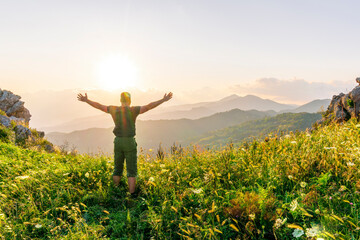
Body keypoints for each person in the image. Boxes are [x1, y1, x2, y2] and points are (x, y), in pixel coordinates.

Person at [77, 91, 173, 196]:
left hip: (118, 141)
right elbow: (149, 106)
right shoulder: (134, 110)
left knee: (117, 168)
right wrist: (163, 100)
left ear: (120, 101)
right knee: (131, 170)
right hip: (129, 141)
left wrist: (86, 100)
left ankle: (115, 191)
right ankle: (131, 195)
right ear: (130, 101)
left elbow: (99, 106)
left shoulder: (114, 109)